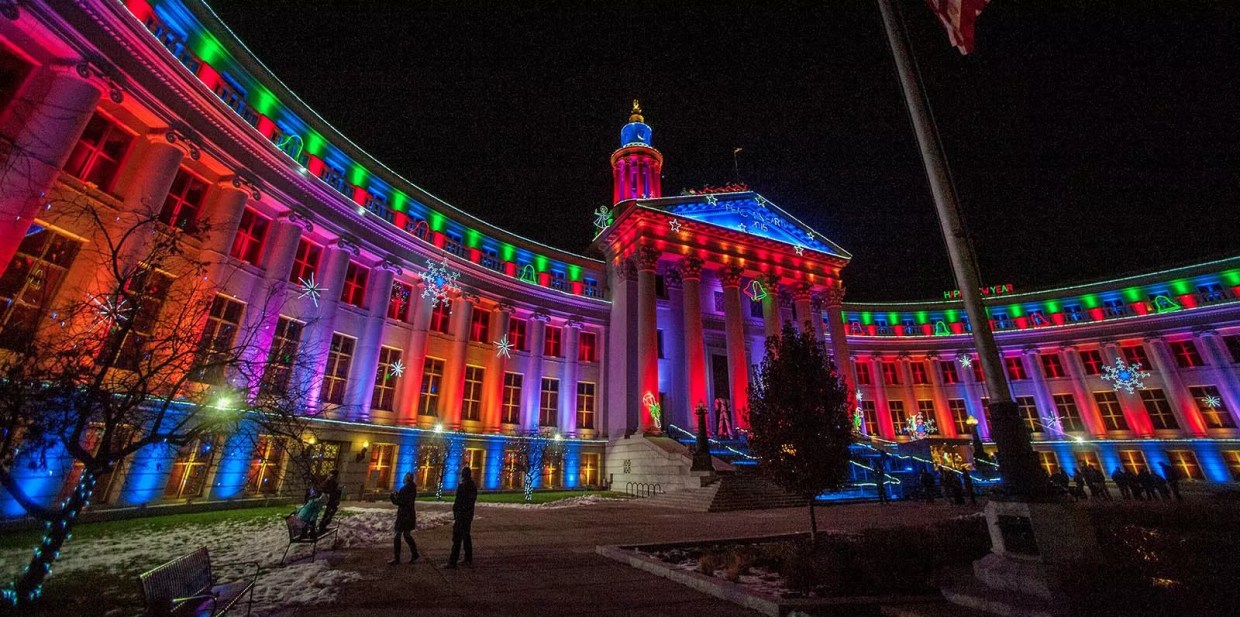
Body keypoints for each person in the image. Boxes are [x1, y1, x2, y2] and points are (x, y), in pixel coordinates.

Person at [446, 466, 478, 569]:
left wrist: (457, 513)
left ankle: (453, 561)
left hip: (462, 516)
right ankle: (468, 558)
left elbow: (460, 502)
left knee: (457, 538)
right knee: (466, 536)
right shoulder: (472, 486)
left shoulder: (464, 486)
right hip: (467, 515)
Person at [389, 472, 419, 565]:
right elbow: (407, 500)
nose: (404, 478)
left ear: (407, 478)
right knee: (407, 535)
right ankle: (414, 553)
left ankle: (397, 558)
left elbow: (401, 502)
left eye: (405, 477)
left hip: (403, 515)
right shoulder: (412, 488)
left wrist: (393, 498)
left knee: (397, 536)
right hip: (409, 515)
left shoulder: (405, 488)